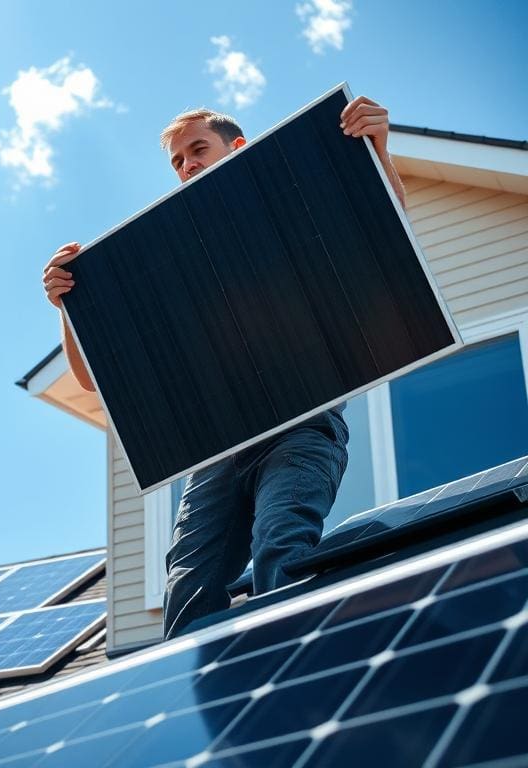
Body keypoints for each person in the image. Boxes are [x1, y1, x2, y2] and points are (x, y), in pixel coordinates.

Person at [42, 96, 407, 640]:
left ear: (236, 148)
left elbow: (378, 239)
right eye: (177, 161)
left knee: (282, 548)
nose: (187, 164)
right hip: (216, 453)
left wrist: (374, 151)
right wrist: (69, 311)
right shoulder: (162, 266)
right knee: (188, 583)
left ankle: (293, 674)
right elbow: (96, 379)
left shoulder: (291, 212)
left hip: (301, 429)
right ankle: (203, 710)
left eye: (198, 149)